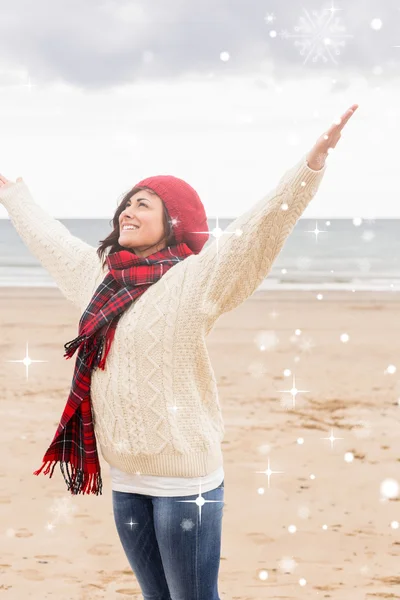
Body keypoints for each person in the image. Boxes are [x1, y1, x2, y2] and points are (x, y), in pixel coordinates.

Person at [0, 103, 358, 600]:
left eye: (144, 204)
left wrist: (310, 165)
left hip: (184, 481)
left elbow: (257, 234)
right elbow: (49, 240)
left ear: (173, 222)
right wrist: (13, 194)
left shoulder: (194, 281)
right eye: (127, 202)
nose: (128, 210)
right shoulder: (97, 278)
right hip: (124, 474)